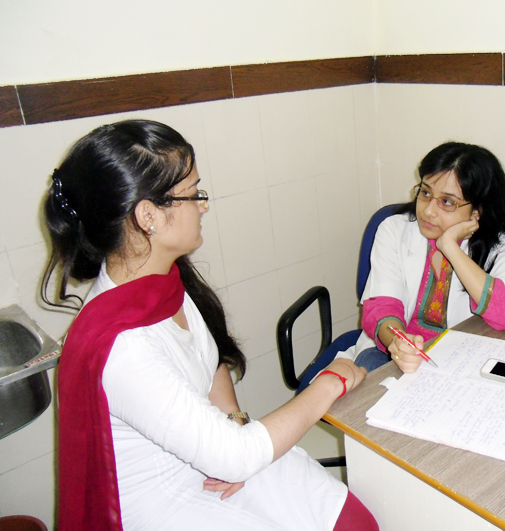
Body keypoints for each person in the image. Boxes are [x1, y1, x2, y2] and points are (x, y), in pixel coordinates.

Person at [41, 119, 377, 531]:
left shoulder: (159, 281)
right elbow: (235, 456)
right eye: (193, 193)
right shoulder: (122, 345)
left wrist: (233, 422)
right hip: (165, 500)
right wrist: (331, 382)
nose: (203, 205)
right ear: (148, 215)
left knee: (355, 522)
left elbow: (211, 357)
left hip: (214, 454)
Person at [343, 142, 505, 373]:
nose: (428, 210)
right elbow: (381, 308)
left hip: (460, 359)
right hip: (387, 352)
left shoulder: (502, 249)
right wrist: (398, 343)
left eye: (447, 202)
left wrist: (450, 248)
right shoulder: (394, 230)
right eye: (425, 193)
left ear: (477, 211)